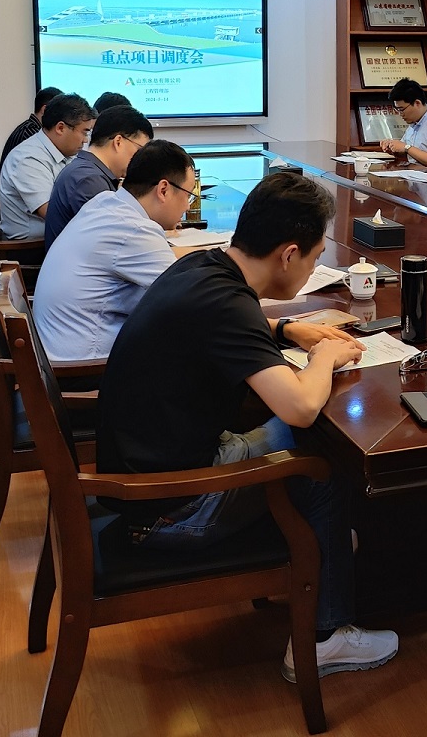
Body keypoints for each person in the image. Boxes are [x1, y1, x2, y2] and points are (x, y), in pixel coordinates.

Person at [97, 172, 398, 682]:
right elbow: (300, 406)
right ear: (288, 254)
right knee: (321, 460)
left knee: (299, 440)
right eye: (315, 256)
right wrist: (324, 356)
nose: (313, 266)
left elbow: (228, 325)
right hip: (170, 508)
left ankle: (322, 563)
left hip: (147, 475)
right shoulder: (228, 305)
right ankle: (325, 636)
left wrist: (287, 328)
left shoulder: (202, 266)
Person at [34, 140, 194, 362]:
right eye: (188, 195)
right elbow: (189, 297)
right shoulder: (134, 229)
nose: (188, 206)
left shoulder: (106, 202)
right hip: (86, 366)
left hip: (58, 351)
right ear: (163, 190)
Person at [43, 106, 153, 248]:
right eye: (139, 150)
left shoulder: (89, 171)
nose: (141, 159)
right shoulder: (89, 180)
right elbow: (117, 240)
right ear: (118, 142)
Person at [0, 93, 94, 241]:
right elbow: (54, 215)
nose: (86, 140)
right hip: (33, 246)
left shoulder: (65, 152)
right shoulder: (28, 159)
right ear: (60, 128)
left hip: (58, 239)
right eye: (84, 132)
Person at [0, 86, 62, 166]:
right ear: (44, 110)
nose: (63, 117)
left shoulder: (30, 128)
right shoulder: (30, 132)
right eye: (60, 111)